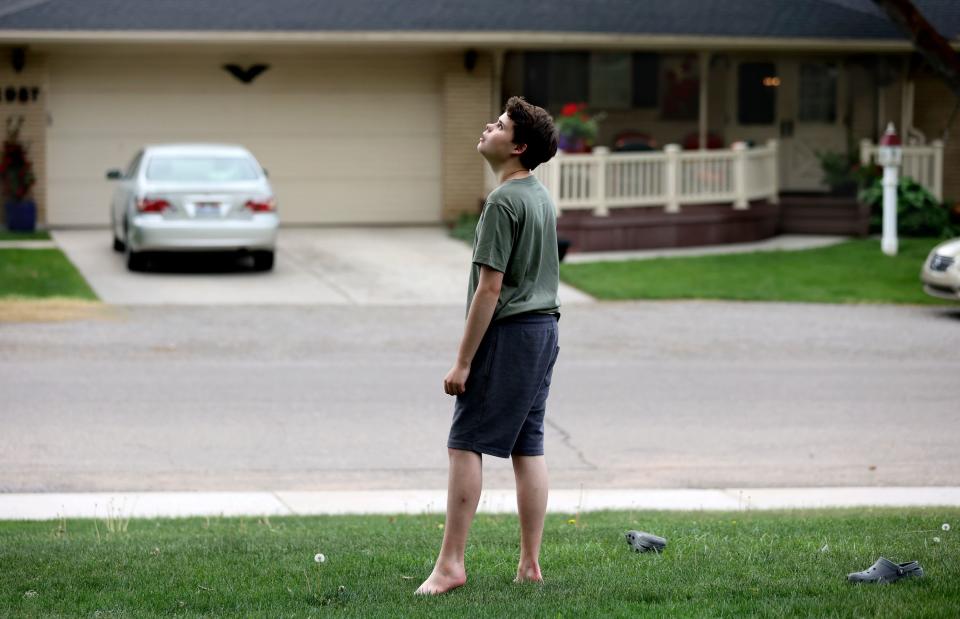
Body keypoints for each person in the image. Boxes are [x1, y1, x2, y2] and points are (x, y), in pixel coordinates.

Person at [416, 96, 561, 595]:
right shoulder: (539, 196)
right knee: (528, 444)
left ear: (517, 147)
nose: (488, 126)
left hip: (510, 334)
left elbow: (490, 288)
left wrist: (462, 362)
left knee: (465, 442)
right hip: (544, 331)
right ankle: (529, 564)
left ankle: (451, 565)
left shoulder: (503, 202)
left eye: (499, 125)